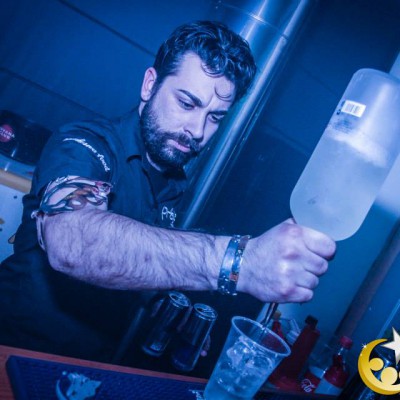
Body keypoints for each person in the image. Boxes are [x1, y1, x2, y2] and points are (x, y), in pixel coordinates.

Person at [0, 21, 335, 367]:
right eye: (187, 103)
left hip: (88, 368)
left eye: (215, 117)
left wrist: (166, 307)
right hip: (14, 352)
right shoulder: (84, 143)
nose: (198, 130)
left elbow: (132, 262)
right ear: (150, 85)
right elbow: (72, 242)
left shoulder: (175, 184)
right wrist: (239, 263)